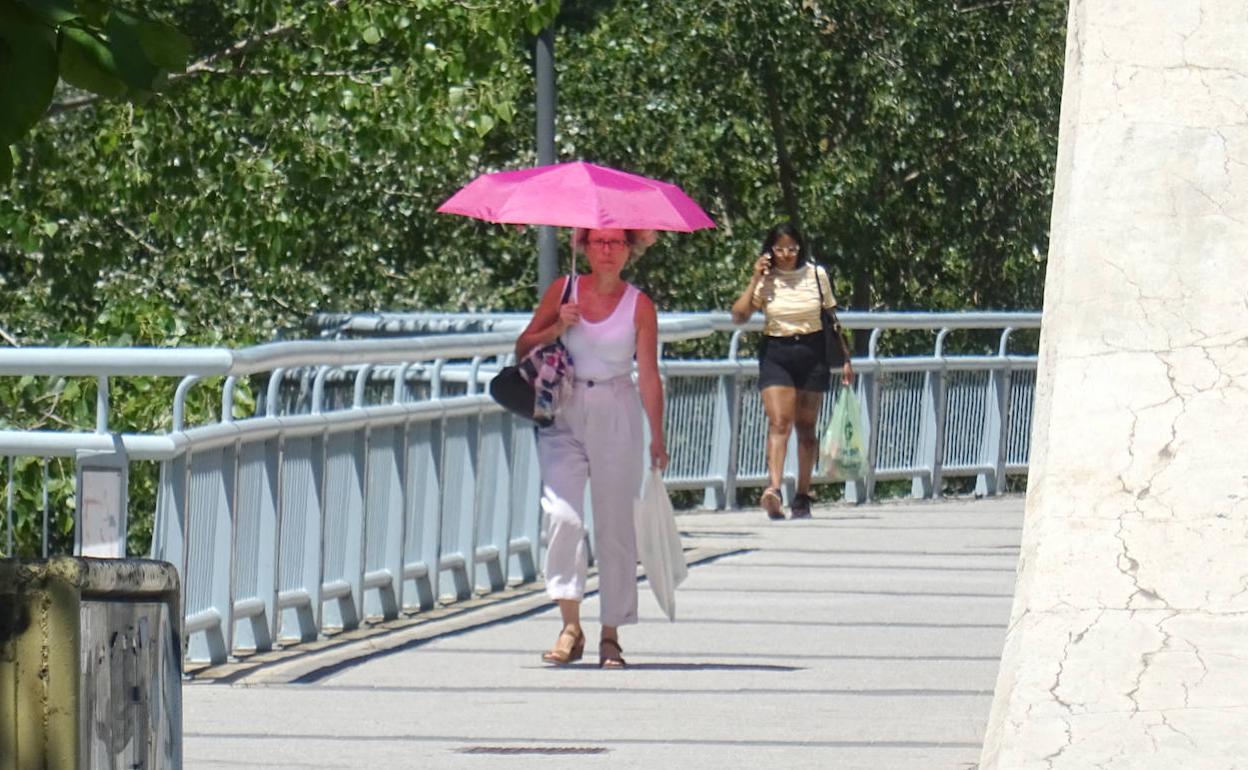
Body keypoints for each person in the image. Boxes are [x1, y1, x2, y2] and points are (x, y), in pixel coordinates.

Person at [515, 227, 668, 669]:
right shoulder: (563, 290)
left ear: (629, 250)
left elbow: (650, 374)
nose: (606, 250)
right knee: (563, 515)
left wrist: (657, 435)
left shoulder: (639, 305)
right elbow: (523, 345)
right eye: (597, 242)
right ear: (582, 246)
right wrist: (558, 324)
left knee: (615, 525)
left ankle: (610, 634)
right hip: (564, 408)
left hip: (617, 408)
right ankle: (569, 624)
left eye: (616, 242)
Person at [730, 222, 853, 520]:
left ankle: (802, 494)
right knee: (779, 422)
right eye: (780, 249)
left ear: (801, 249)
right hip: (777, 352)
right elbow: (739, 315)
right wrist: (754, 278)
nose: (786, 255)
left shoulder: (816, 275)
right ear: (770, 250)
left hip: (812, 351)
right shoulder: (765, 278)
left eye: (792, 249)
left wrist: (846, 359)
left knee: (807, 429)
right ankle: (773, 489)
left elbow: (831, 317)